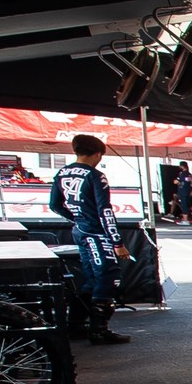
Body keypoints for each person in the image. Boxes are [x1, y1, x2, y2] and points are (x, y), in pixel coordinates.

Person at [49, 133, 130, 345]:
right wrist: (117, 242)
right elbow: (105, 210)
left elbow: (54, 205)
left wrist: (76, 218)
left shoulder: (61, 173)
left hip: (81, 231)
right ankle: (98, 331)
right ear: (97, 154)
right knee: (107, 276)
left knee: (92, 278)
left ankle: (75, 325)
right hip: (96, 233)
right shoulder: (95, 176)